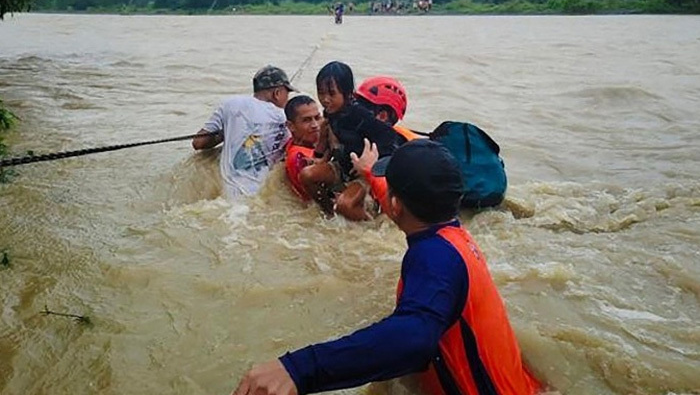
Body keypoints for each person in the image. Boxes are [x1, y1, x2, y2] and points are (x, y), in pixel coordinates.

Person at [232, 139, 541, 395]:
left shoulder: (434, 257)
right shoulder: (452, 237)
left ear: (395, 205)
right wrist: (369, 173)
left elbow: (414, 338)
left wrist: (298, 369)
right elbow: (397, 201)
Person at [299, 61, 403, 219]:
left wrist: (370, 166)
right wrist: (323, 159)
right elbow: (332, 141)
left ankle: (369, 225)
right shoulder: (330, 112)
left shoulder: (360, 116)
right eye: (321, 93)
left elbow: (390, 139)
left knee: (344, 205)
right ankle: (328, 214)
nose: (325, 99)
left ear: (348, 94)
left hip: (364, 173)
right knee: (307, 175)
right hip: (342, 166)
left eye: (332, 94)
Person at [192, 65, 295, 198]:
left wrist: (227, 133)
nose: (287, 99)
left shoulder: (230, 104)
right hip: (261, 196)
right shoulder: (285, 118)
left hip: (228, 193)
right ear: (277, 93)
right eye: (287, 93)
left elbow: (198, 143)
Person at [283, 95, 322, 201]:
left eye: (317, 118)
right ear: (291, 126)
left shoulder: (294, 143)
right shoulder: (299, 158)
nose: (315, 125)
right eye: (307, 120)